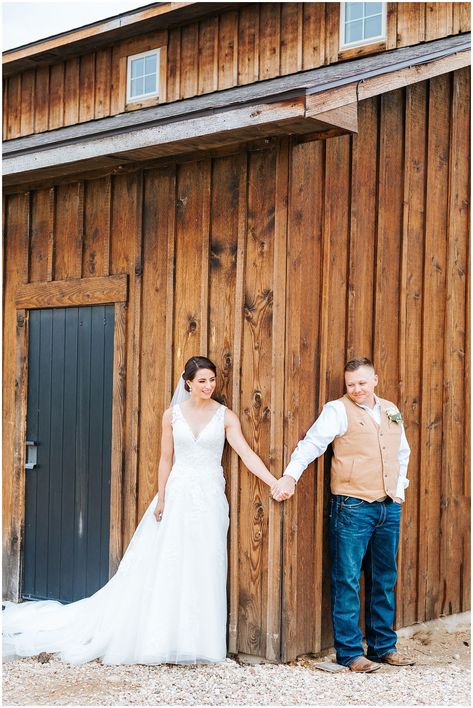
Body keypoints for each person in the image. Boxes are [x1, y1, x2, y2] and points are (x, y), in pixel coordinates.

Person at [3, 355, 278, 665]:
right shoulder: (171, 416)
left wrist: (274, 482)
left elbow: (246, 454)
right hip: (178, 493)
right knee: (169, 562)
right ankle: (161, 639)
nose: (208, 386)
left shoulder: (225, 416)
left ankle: (198, 641)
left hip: (210, 497)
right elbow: (165, 459)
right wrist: (161, 498)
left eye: (212, 380)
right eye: (201, 380)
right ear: (187, 383)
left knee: (205, 562)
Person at [272, 357, 415, 673]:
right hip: (352, 506)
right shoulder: (336, 410)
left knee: (384, 578)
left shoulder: (390, 408)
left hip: (388, 506)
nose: (356, 390)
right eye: (351, 385)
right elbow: (312, 444)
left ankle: (382, 647)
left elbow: (402, 452)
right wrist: (290, 476)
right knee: (348, 579)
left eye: (362, 383)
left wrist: (399, 490)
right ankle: (351, 653)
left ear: (374, 380)